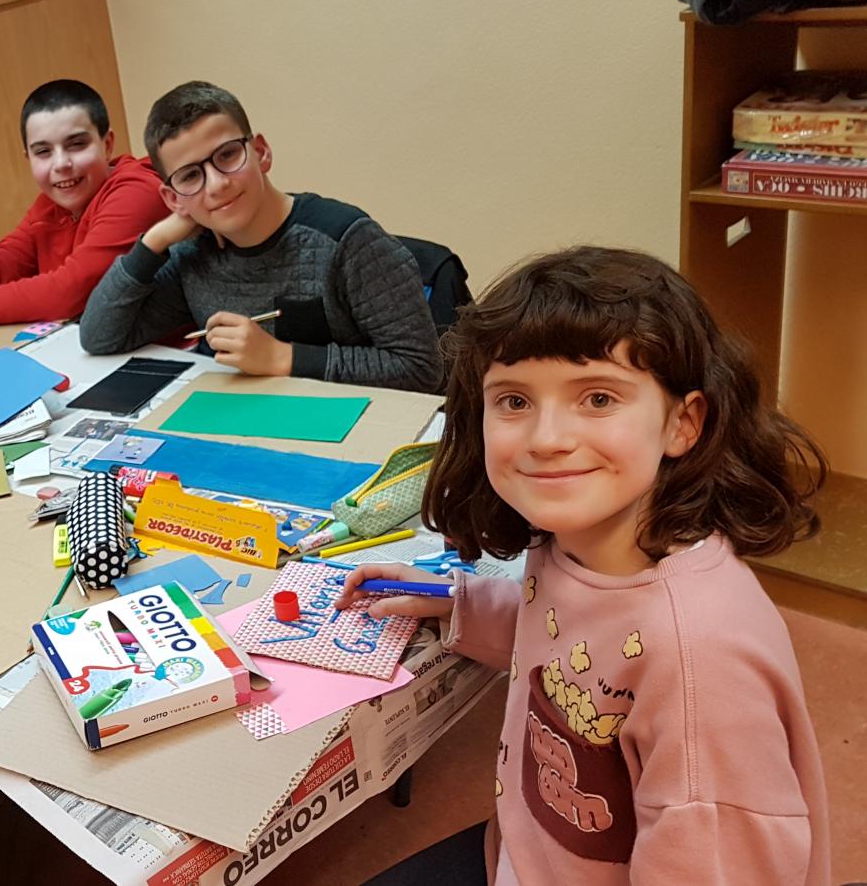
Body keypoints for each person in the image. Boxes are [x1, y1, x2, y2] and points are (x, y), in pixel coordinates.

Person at [342, 246, 831, 884]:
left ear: (683, 424)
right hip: (521, 854)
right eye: (514, 401)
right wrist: (461, 603)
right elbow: (575, 642)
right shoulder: (577, 542)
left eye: (598, 398)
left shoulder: (701, 662)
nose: (547, 439)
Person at [80, 81, 440, 390]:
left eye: (227, 155)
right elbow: (100, 336)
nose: (217, 184)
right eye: (190, 176)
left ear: (261, 152)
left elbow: (422, 369)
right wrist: (154, 241)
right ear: (173, 199)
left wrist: (282, 357)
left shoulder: (349, 240)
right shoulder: (192, 255)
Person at [0, 79, 166, 328]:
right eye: (43, 152)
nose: (61, 164)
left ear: (107, 144)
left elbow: (71, 291)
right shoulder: (49, 204)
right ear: (29, 158)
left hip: (162, 350)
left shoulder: (138, 190)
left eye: (76, 144)